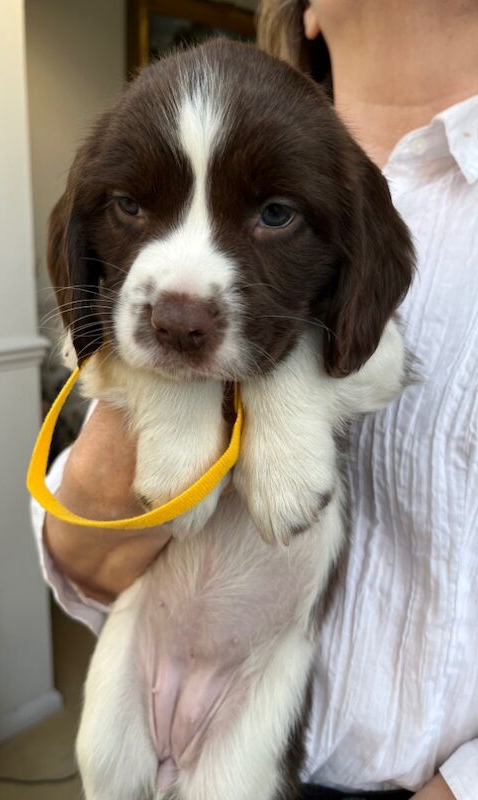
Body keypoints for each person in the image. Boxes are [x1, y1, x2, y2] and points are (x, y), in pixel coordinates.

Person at [31, 2, 478, 797]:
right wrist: (157, 403)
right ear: (304, 11)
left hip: (368, 757)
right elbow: (81, 549)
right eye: (133, 207)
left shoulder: (341, 197)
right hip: (148, 649)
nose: (182, 299)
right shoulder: (280, 141)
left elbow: (369, 357)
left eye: (274, 215)